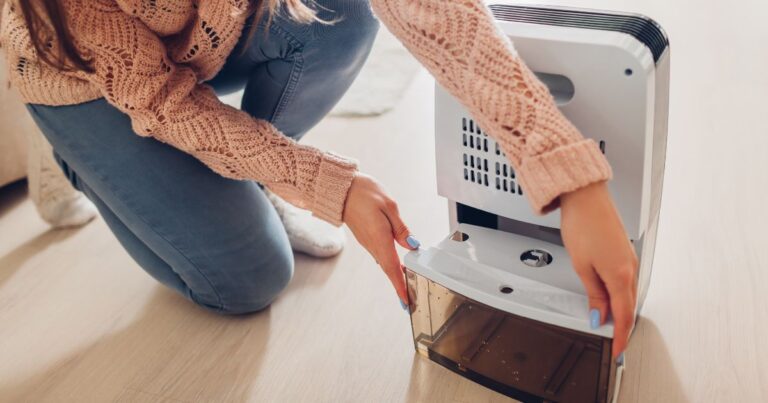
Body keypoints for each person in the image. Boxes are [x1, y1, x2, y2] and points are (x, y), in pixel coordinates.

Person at [0, 0, 638, 358]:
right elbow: (167, 104)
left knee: (343, 12)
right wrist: (329, 185)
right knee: (248, 283)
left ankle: (241, 177)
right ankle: (79, 161)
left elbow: (432, 12)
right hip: (84, 72)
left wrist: (564, 171)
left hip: (204, 38)